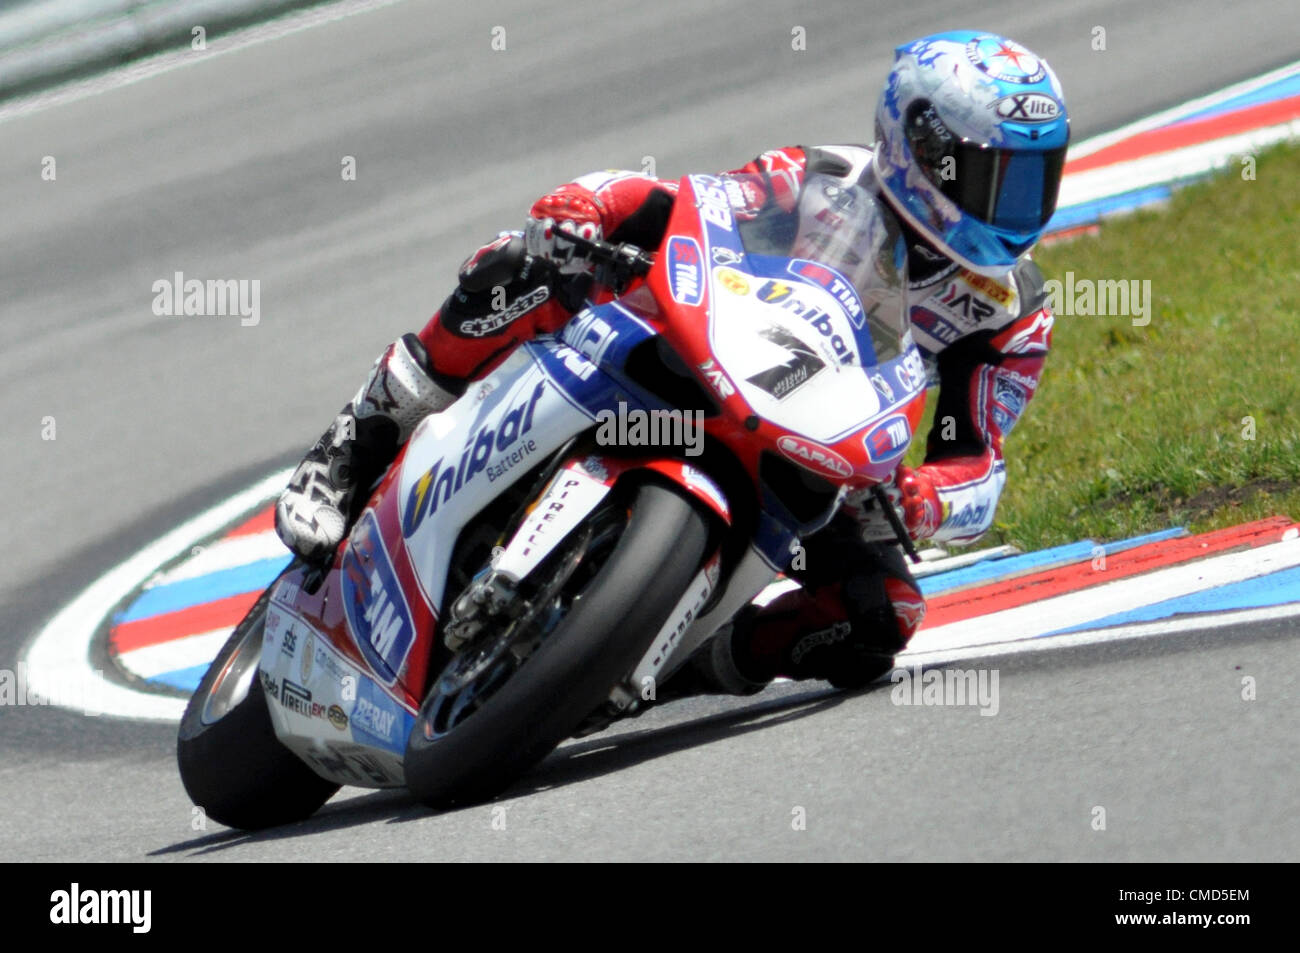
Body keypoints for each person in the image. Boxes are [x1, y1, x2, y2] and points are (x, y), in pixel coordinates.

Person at [274, 30, 1069, 695]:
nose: (1018, 204)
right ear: (920, 146)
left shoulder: (1009, 309)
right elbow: (678, 204)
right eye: (995, 175)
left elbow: (979, 463)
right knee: (526, 266)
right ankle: (357, 440)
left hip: (836, 452)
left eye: (1037, 177)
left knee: (879, 615)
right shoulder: (820, 177)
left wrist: (927, 497)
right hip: (710, 358)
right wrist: (588, 208)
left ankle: (679, 656)